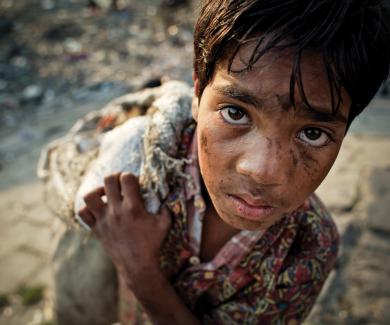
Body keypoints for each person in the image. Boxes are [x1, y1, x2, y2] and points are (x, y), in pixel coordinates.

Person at [75, 0, 390, 323]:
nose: (262, 171)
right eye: (235, 113)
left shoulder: (309, 247)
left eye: (312, 133)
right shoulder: (149, 167)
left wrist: (138, 268)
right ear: (197, 94)